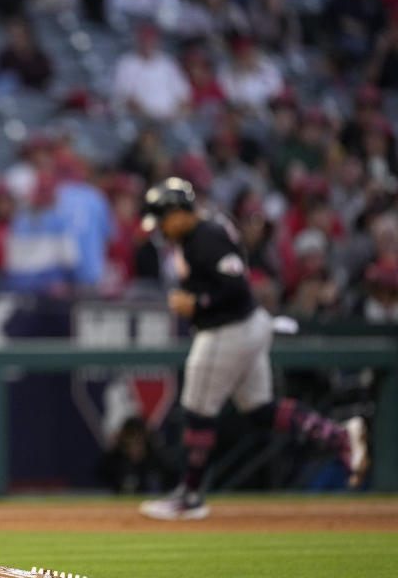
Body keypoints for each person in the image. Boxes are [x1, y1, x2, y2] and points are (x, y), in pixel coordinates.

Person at [137, 178, 370, 520]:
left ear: (179, 212)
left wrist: (197, 303)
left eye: (164, 218)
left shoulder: (206, 236)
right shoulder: (200, 234)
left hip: (228, 329)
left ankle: (189, 495)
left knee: (197, 409)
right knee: (259, 408)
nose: (161, 228)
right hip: (246, 326)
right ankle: (338, 437)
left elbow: (235, 287)